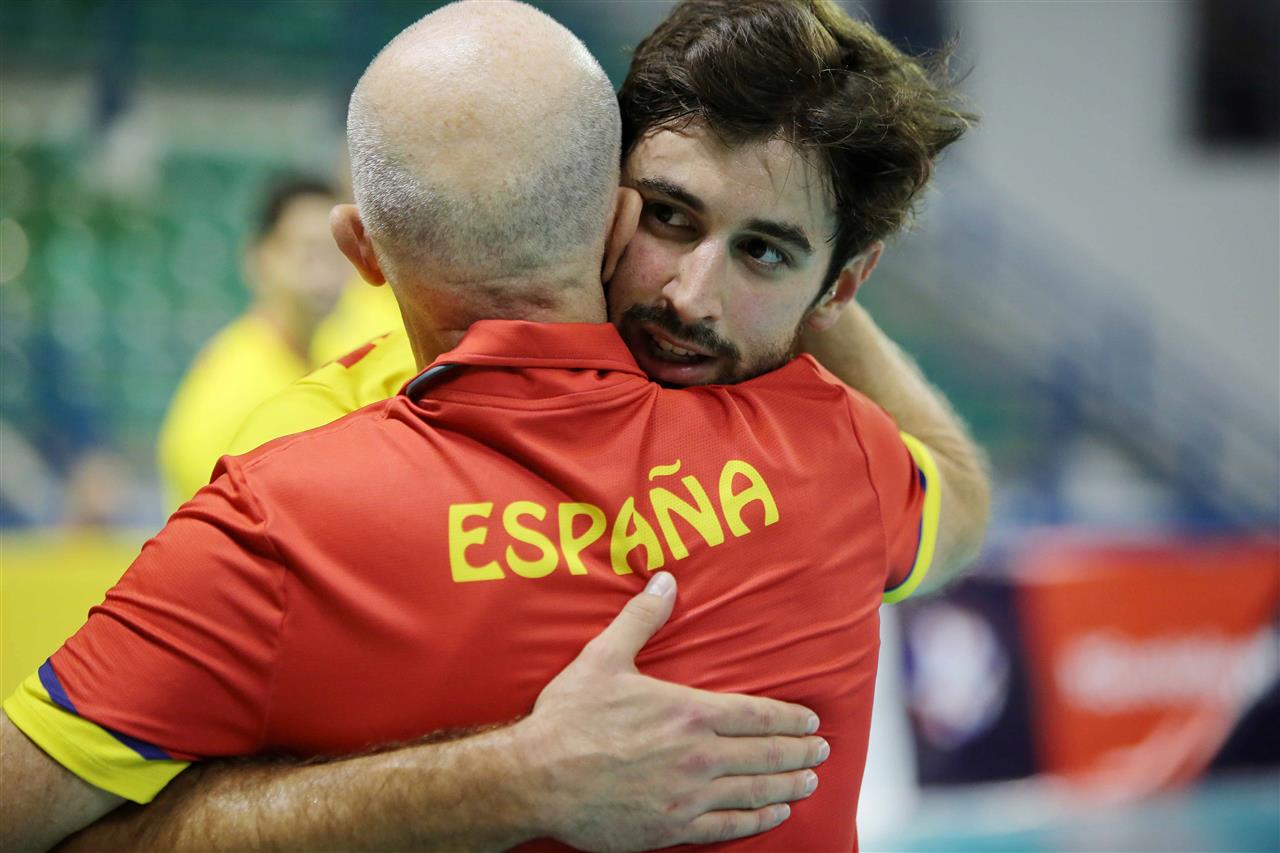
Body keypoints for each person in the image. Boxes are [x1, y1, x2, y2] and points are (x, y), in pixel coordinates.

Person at [2, 1, 988, 850]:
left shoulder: (279, 499)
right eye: (669, 218)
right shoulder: (836, 441)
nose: (691, 298)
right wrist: (509, 779)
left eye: (765, 252)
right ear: (608, 209)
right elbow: (957, 493)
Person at [154, 177, 349, 508]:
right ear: (260, 257)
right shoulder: (231, 385)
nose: (324, 275)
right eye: (309, 252)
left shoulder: (329, 363)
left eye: (336, 254)